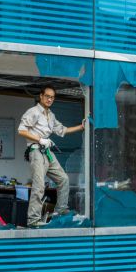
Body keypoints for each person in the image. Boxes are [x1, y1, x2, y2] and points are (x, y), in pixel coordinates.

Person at [17, 87, 85, 227]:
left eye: (52, 97)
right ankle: (33, 220)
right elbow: (21, 130)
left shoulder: (51, 115)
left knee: (63, 179)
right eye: (47, 96)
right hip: (36, 150)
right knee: (39, 185)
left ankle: (61, 209)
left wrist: (81, 127)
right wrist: (40, 140)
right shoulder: (34, 112)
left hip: (47, 151)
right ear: (41, 96)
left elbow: (63, 130)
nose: (49, 99)